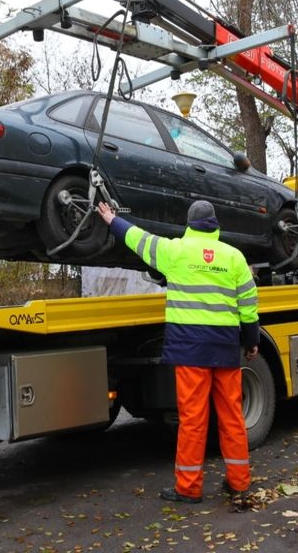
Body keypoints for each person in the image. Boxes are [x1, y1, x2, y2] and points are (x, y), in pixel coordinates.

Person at [96, 199, 259, 508]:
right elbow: (249, 307)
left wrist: (111, 220)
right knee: (232, 418)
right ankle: (239, 483)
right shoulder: (234, 257)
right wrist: (251, 342)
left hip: (190, 352)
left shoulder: (175, 251)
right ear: (214, 225)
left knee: (194, 421)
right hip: (225, 351)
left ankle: (189, 488)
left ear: (189, 224)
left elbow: (138, 239)